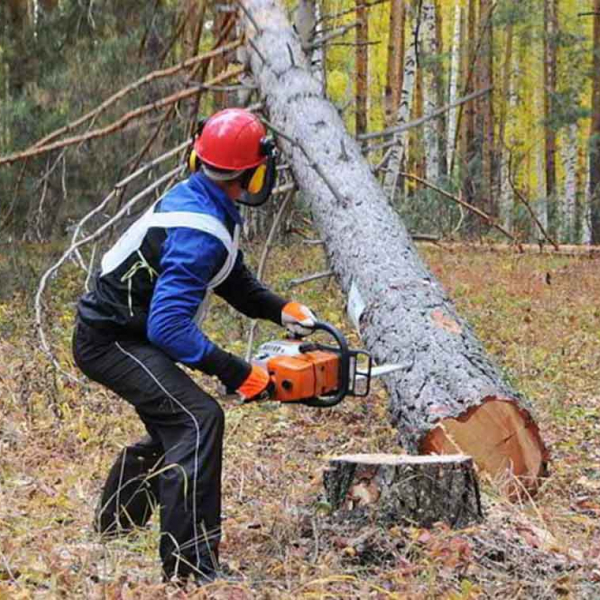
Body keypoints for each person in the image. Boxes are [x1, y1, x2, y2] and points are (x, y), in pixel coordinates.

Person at [72, 108, 317, 583]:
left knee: (175, 423)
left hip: (123, 331)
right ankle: (189, 567)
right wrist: (235, 370)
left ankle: (116, 523)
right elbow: (169, 328)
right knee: (198, 421)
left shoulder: (202, 202)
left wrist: (282, 308)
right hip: (111, 341)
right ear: (255, 171)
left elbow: (230, 277)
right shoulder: (199, 226)